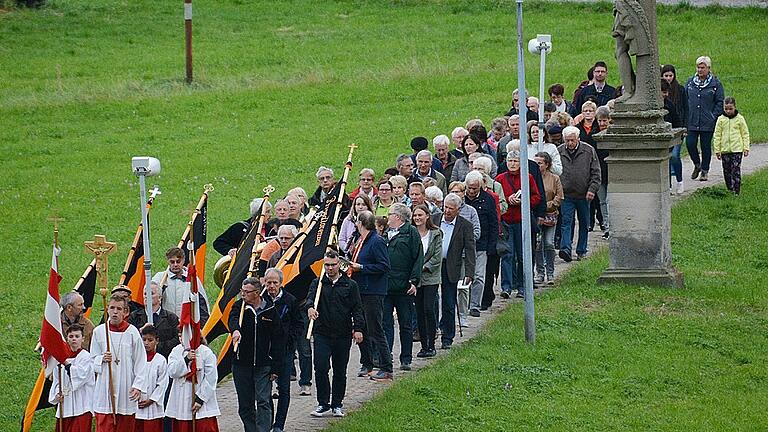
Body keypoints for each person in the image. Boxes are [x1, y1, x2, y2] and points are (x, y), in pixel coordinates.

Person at [306, 249, 365, 418]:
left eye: (333, 265)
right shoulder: (317, 284)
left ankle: (337, 404)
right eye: (327, 265)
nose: (330, 268)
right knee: (321, 367)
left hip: (343, 334)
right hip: (322, 333)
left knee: (340, 370)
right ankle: (323, 403)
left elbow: (357, 309)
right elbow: (309, 300)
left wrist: (358, 329)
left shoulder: (350, 285)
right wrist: (310, 308)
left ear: (339, 265)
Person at [229, 277, 285, 432]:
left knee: (263, 401)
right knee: (245, 404)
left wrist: (275, 367)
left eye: (247, 292)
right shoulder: (239, 307)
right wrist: (235, 330)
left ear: (257, 293)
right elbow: (232, 320)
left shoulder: (270, 310)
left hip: (263, 364)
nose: (243, 294)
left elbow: (278, 340)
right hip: (241, 364)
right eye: (242, 291)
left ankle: (264, 429)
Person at [91, 292, 148, 432]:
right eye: (112, 308)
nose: (115, 312)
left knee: (125, 425)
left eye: (118, 309)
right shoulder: (99, 332)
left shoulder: (132, 332)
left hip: (125, 387)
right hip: (105, 388)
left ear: (125, 312)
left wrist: (138, 386)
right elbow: (92, 360)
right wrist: (101, 359)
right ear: (107, 310)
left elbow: (141, 361)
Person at [347, 211, 392, 381]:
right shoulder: (360, 240)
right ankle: (367, 363)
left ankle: (386, 367)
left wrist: (362, 268)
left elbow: (384, 266)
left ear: (361, 223)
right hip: (360, 290)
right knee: (361, 328)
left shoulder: (376, 241)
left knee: (375, 329)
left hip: (373, 291)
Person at [495, 150, 542, 298]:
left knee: (523, 255)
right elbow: (497, 199)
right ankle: (506, 287)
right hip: (507, 222)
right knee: (507, 255)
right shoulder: (500, 179)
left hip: (523, 222)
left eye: (515, 161)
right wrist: (508, 200)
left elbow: (537, 197)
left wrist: (524, 201)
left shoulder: (527, 178)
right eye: (510, 161)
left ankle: (522, 286)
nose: (513, 164)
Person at [383, 203, 423, 371]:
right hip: (385, 286)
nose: (388, 217)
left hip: (404, 286)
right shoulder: (385, 233)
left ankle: (406, 358)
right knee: (386, 323)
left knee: (405, 323)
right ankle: (386, 356)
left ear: (398, 217)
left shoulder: (411, 233)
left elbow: (418, 257)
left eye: (390, 214)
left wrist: (414, 281)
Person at [263, 268, 303, 432]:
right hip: (265, 352)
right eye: (269, 282)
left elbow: (298, 323)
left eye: (275, 283)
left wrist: (290, 340)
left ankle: (279, 425)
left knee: (284, 389)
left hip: (285, 352)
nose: (272, 286)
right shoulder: (261, 300)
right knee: (265, 391)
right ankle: (268, 421)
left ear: (281, 283)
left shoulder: (290, 300)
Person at [435, 193, 476, 348]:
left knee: (449, 301)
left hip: (451, 266)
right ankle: (432, 331)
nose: (447, 211)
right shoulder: (435, 219)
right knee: (431, 301)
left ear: (458, 210)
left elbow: (470, 249)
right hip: (433, 266)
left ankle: (447, 336)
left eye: (451, 208)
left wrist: (469, 273)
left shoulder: (465, 225)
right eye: (445, 207)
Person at [557, 126, 602, 262]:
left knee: (584, 222)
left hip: (584, 194)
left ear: (578, 139)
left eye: (572, 140)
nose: (570, 143)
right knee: (566, 222)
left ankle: (581, 250)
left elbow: (596, 172)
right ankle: (565, 248)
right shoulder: (559, 151)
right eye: (567, 140)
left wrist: (592, 190)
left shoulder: (588, 151)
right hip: (566, 194)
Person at [165, 332, 220, 432]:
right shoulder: (176, 351)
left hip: (202, 402)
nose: (181, 338)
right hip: (181, 399)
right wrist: (186, 359)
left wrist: (200, 399)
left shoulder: (205, 352)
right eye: (180, 335)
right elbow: (172, 371)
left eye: (184, 335)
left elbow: (211, 377)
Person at [463, 171, 498, 317]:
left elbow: (493, 223)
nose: (471, 192)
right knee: (464, 277)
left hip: (481, 244)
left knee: (479, 276)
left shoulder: (488, 199)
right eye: (469, 188)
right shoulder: (461, 200)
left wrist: (492, 245)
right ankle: (464, 305)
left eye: (474, 189)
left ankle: (475, 305)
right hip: (464, 247)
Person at [686, 56, 725, 182]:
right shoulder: (690, 82)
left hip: (707, 121)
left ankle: (704, 170)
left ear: (708, 68)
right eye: (698, 67)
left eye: (702, 67)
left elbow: (720, 102)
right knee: (690, 143)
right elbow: (684, 99)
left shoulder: (715, 84)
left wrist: (713, 116)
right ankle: (697, 164)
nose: (700, 70)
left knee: (706, 146)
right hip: (692, 120)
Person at [49, 324, 95, 432]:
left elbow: (80, 377)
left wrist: (66, 364)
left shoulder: (86, 357)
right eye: (71, 336)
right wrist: (58, 394)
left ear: (82, 339)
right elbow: (57, 381)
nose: (74, 339)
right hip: (66, 405)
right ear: (67, 339)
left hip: (82, 404)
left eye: (77, 336)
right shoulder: (60, 360)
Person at [410, 205, 442, 358]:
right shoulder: (411, 233)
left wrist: (423, 267)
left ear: (427, 216)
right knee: (419, 311)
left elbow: (437, 257)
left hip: (430, 277)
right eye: (415, 215)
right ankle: (424, 345)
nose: (417, 218)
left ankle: (431, 343)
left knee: (429, 308)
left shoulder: (435, 233)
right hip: (416, 279)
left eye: (420, 215)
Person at [153, 247, 210, 327]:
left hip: (187, 326)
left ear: (183, 260)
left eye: (178, 261)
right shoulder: (159, 278)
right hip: (165, 325)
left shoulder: (192, 279)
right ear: (167, 261)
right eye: (172, 262)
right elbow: (151, 300)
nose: (175, 265)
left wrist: (202, 326)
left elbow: (202, 303)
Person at [128, 282, 180, 359]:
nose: (147, 296)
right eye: (145, 294)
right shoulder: (134, 316)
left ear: (160, 297)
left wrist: (156, 346)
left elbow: (177, 339)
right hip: (140, 358)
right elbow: (128, 337)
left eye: (151, 293)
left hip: (165, 358)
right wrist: (140, 331)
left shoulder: (171, 318)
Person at [534, 152, 563, 285]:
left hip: (550, 215)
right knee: (538, 244)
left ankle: (550, 272)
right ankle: (540, 272)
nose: (537, 165)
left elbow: (559, 196)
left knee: (549, 243)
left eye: (540, 163)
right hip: (536, 215)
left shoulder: (554, 178)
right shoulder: (532, 177)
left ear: (547, 164)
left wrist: (547, 205)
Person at [714, 97, 750, 195]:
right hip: (725, 150)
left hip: (737, 149)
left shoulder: (740, 119)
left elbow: (745, 133)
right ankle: (729, 189)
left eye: (731, 108)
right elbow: (717, 135)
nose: (728, 111)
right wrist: (717, 150)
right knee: (727, 170)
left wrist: (746, 147)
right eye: (726, 109)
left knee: (735, 170)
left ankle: (736, 191)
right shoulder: (720, 119)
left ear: (735, 107)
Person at [134, 326, 168, 432]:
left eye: (150, 340)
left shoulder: (160, 360)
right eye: (144, 340)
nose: (146, 343)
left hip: (153, 406)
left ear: (156, 341)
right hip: (136, 404)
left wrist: (151, 400)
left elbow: (162, 383)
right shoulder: (135, 359)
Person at [661, 64, 688, 193]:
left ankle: (680, 181)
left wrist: (682, 130)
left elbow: (678, 116)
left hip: (675, 133)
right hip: (662, 135)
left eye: (670, 75)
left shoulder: (678, 93)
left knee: (675, 156)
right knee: (666, 159)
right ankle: (668, 185)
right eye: (666, 75)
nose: (665, 95)